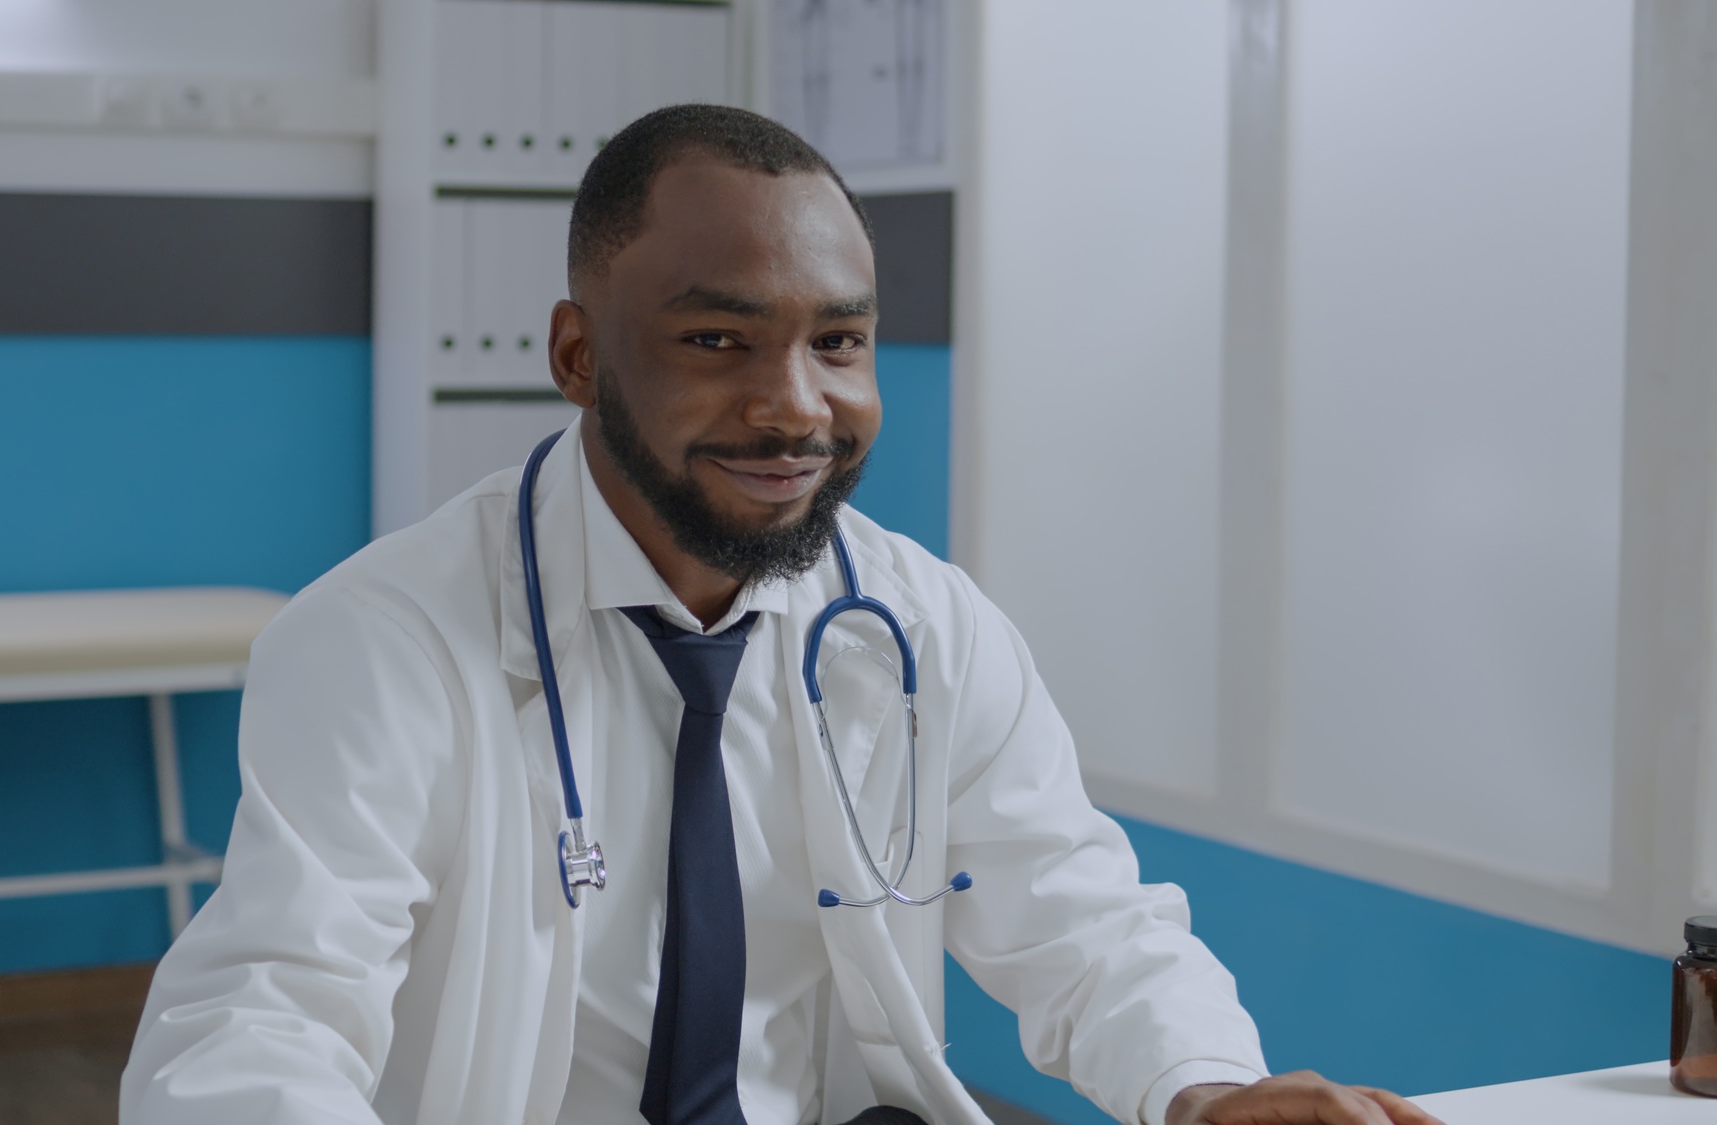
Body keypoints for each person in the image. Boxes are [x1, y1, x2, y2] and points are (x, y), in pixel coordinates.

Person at [120, 105, 1439, 1125]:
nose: (797, 405)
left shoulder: (923, 623)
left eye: (840, 341)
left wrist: (1203, 1083)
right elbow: (265, 1013)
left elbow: (1080, 917)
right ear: (578, 356)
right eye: (717, 341)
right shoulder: (382, 639)